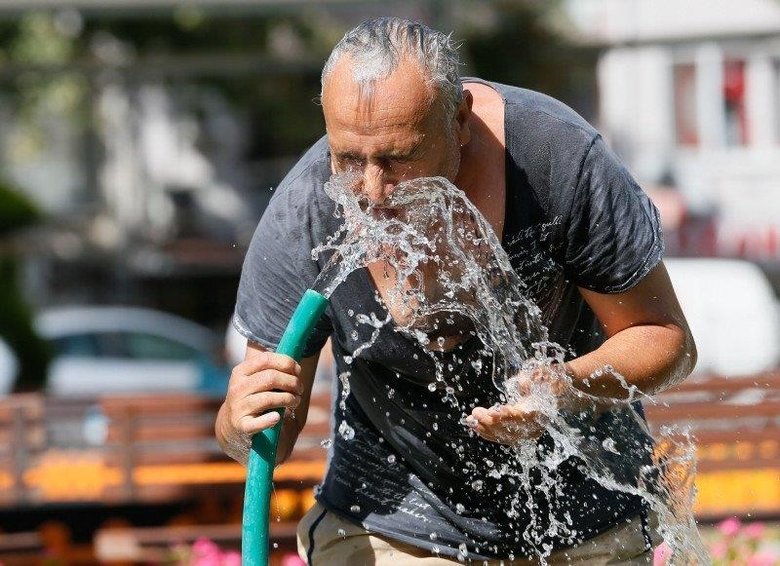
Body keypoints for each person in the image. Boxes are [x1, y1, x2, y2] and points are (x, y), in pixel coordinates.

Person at [216, 17, 697, 565]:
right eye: (349, 159)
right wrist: (238, 423)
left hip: (586, 513)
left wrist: (564, 387)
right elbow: (268, 439)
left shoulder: (556, 163)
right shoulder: (309, 211)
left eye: (398, 160)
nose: (372, 191)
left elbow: (667, 341)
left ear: (460, 121)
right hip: (391, 524)